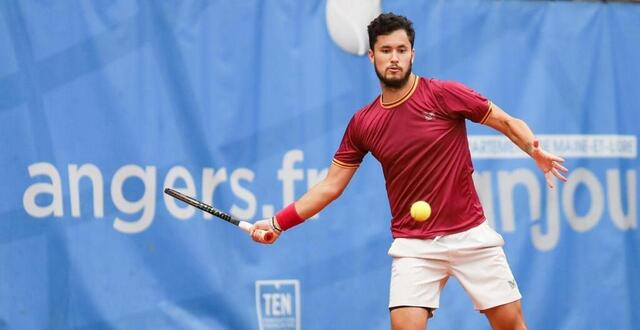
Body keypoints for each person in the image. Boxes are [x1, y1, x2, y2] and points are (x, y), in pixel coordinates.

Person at [251, 12, 568, 330]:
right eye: (386, 50)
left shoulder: (444, 94)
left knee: (511, 325)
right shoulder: (363, 123)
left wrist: (532, 149)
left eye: (401, 50)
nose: (394, 58)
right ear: (372, 56)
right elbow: (330, 186)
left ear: (412, 54)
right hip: (414, 246)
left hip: (470, 233)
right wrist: (279, 223)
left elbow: (507, 122)